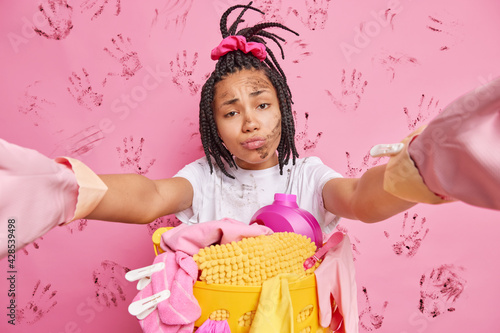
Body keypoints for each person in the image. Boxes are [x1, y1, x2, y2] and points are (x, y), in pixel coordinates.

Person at [1, 4, 499, 259]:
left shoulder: (307, 178)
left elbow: (360, 198)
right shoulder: (204, 181)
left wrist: (420, 171)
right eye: (231, 111)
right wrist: (69, 191)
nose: (250, 121)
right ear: (213, 127)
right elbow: (151, 194)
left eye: (262, 104)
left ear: (282, 109)